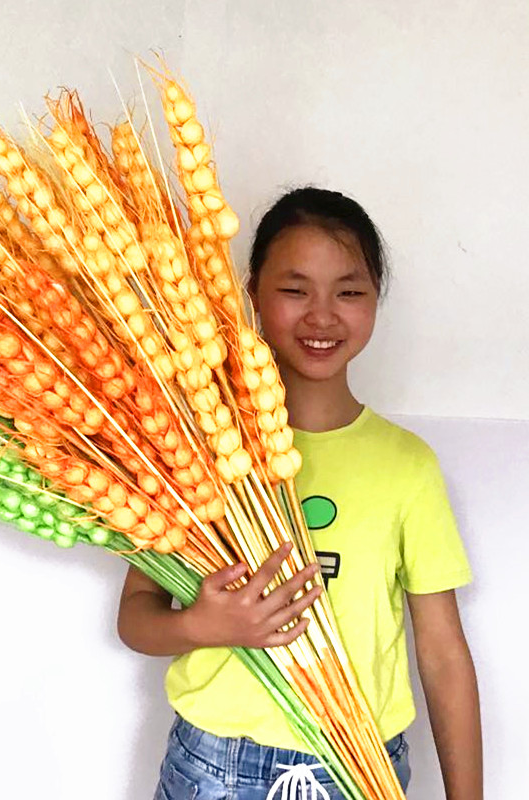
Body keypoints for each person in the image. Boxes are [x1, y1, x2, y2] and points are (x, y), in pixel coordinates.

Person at [117, 187, 482, 800]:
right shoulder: (193, 447)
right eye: (294, 289)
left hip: (364, 766)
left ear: (374, 303)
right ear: (252, 294)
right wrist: (204, 625)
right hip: (214, 764)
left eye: (349, 291)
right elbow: (135, 617)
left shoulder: (407, 466)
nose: (322, 315)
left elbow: (443, 652)